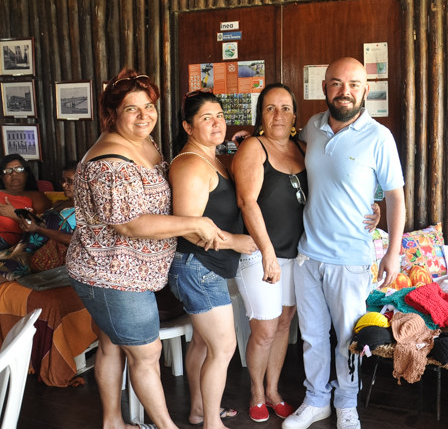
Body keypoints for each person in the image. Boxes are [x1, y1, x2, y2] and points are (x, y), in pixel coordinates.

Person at [66, 69, 225, 429]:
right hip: (112, 275)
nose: (144, 116)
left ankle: (112, 422)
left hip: (127, 272)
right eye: (131, 109)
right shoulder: (110, 162)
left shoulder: (145, 144)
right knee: (147, 353)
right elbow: (131, 224)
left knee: (110, 344)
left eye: (149, 106)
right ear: (112, 114)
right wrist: (195, 223)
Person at [232, 83, 380, 424]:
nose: (278, 115)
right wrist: (268, 252)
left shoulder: (303, 147)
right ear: (260, 116)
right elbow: (246, 202)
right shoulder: (254, 147)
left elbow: (338, 186)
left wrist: (373, 209)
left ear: (296, 115)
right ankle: (256, 392)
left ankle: (273, 391)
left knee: (284, 325)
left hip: (298, 255)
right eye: (270, 108)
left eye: (285, 108)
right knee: (265, 330)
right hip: (261, 254)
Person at [282, 57, 405, 429]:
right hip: (308, 255)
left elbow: (395, 197)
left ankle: (346, 403)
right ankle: (316, 399)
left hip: (351, 258)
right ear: (324, 88)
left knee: (349, 340)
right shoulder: (312, 129)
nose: (344, 91)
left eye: (353, 84)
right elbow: (286, 152)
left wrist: (393, 254)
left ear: (366, 89)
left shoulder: (378, 137)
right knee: (313, 337)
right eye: (336, 83)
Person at [168, 90, 256, 428]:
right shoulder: (190, 163)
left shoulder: (212, 158)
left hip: (204, 267)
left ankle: (200, 411)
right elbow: (187, 226)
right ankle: (211, 425)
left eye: (219, 115)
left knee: (204, 343)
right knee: (224, 348)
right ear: (188, 127)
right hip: (197, 266)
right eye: (207, 117)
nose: (216, 122)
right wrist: (234, 241)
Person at [18, 161, 78, 271]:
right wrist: (30, 222)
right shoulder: (59, 203)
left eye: (70, 181)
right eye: (63, 180)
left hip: (42, 256)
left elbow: (74, 240)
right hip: (23, 248)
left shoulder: (84, 211)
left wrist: (37, 228)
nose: (64, 185)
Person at [0, 154, 52, 249]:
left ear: (26, 173)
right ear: (2, 177)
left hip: (6, 239)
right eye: (8, 171)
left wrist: (13, 214)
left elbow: (44, 226)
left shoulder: (36, 197)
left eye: (19, 169)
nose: (14, 174)